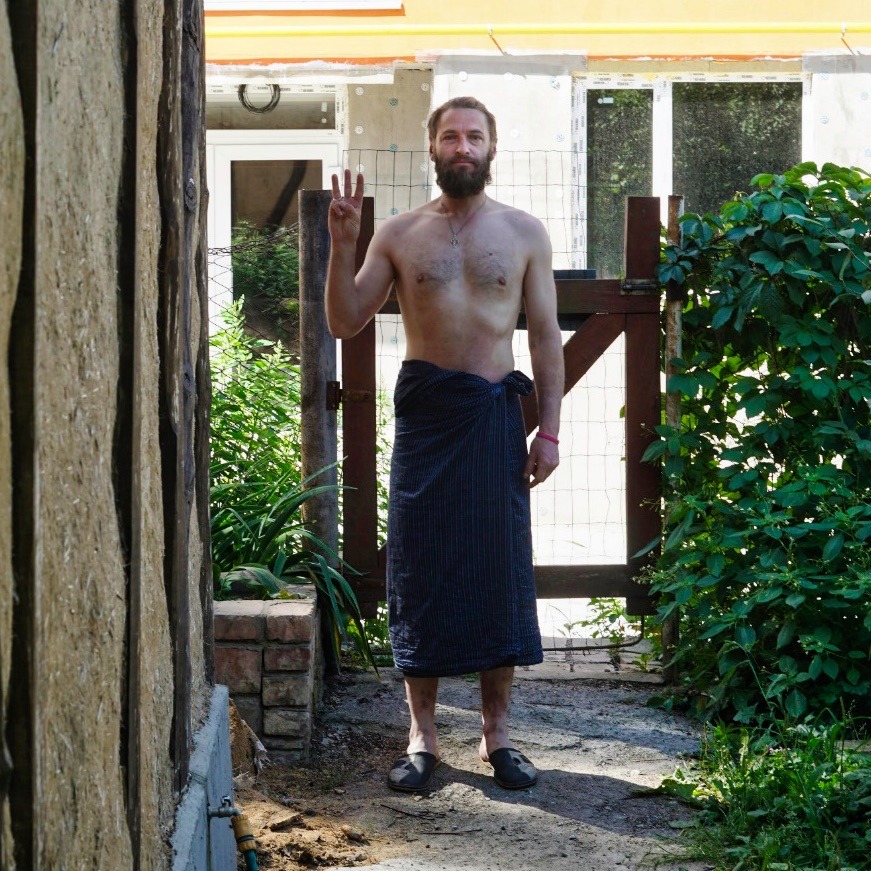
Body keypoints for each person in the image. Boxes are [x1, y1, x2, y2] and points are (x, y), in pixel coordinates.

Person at [325, 96, 564, 793]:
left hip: (493, 416)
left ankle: (497, 734)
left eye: (474, 136)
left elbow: (545, 336)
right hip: (426, 418)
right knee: (420, 568)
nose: (462, 147)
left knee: (496, 566)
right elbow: (344, 320)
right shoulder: (398, 234)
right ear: (431, 149)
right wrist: (342, 247)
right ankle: (422, 733)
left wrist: (546, 429)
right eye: (450, 136)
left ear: (492, 148)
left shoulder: (523, 234)